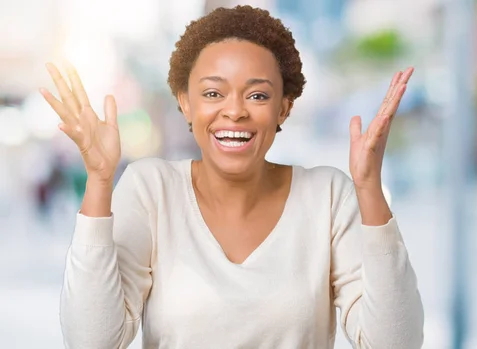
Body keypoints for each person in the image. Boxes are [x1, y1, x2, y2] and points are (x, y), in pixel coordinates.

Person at [41, 5, 424, 349]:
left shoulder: (327, 195)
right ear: (185, 103)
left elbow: (395, 343)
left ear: (283, 109)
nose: (235, 111)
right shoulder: (151, 189)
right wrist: (99, 181)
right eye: (213, 93)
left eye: (257, 96)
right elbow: (92, 341)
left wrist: (369, 189)